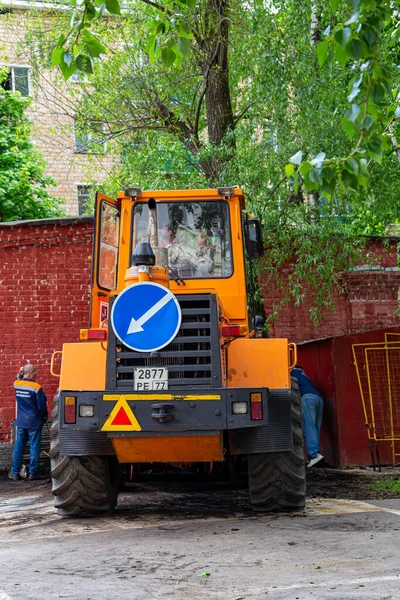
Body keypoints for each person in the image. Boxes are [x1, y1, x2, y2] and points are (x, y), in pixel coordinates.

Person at [10, 364, 48, 481]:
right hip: (34, 422)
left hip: (21, 422)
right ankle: (33, 473)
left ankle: (15, 473)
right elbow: (41, 406)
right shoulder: (36, 388)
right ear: (31, 373)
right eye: (35, 372)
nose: (36, 375)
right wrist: (44, 416)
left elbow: (16, 379)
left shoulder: (17, 384)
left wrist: (19, 373)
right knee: (34, 447)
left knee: (19, 446)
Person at [291, 365, 324, 468]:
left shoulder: (291, 373)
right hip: (318, 399)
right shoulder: (304, 375)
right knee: (315, 428)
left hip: (307, 399)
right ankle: (316, 455)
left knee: (309, 427)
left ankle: (314, 455)